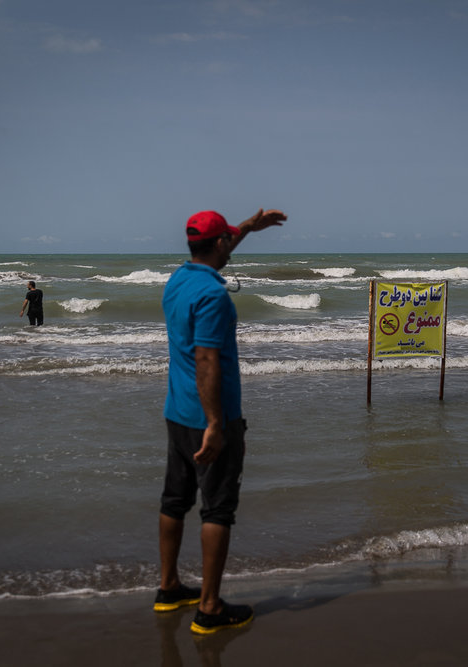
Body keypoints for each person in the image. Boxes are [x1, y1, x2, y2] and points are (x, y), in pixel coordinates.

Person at [156, 208, 287, 635]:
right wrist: (215, 424)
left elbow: (220, 246)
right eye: (228, 239)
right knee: (218, 509)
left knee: (174, 500)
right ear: (218, 244)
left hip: (177, 413)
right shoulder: (213, 296)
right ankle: (210, 607)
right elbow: (207, 360)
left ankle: (169, 587)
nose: (231, 244)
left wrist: (248, 227)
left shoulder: (179, 279)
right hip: (211, 419)